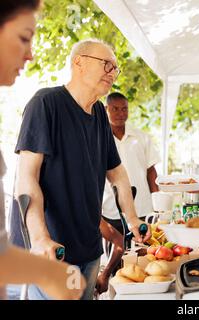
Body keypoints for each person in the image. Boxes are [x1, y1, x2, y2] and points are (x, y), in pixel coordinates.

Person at [9, 39, 151, 300]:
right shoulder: (45, 103)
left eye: (115, 69)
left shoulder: (98, 112)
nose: (112, 73)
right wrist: (40, 239)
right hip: (50, 252)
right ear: (79, 63)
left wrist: (132, 220)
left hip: (88, 248)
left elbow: (117, 173)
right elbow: (26, 179)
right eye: (107, 64)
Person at [0, 0, 85, 300]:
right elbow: (27, 180)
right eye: (24, 38)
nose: (30, 53)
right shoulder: (44, 104)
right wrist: (43, 255)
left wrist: (49, 272)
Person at [102, 92, 160, 233]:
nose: (120, 113)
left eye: (124, 109)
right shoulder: (99, 140)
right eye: (115, 109)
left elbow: (151, 172)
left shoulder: (142, 138)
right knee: (117, 252)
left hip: (143, 207)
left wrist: (158, 206)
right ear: (105, 109)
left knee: (145, 252)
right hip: (110, 209)